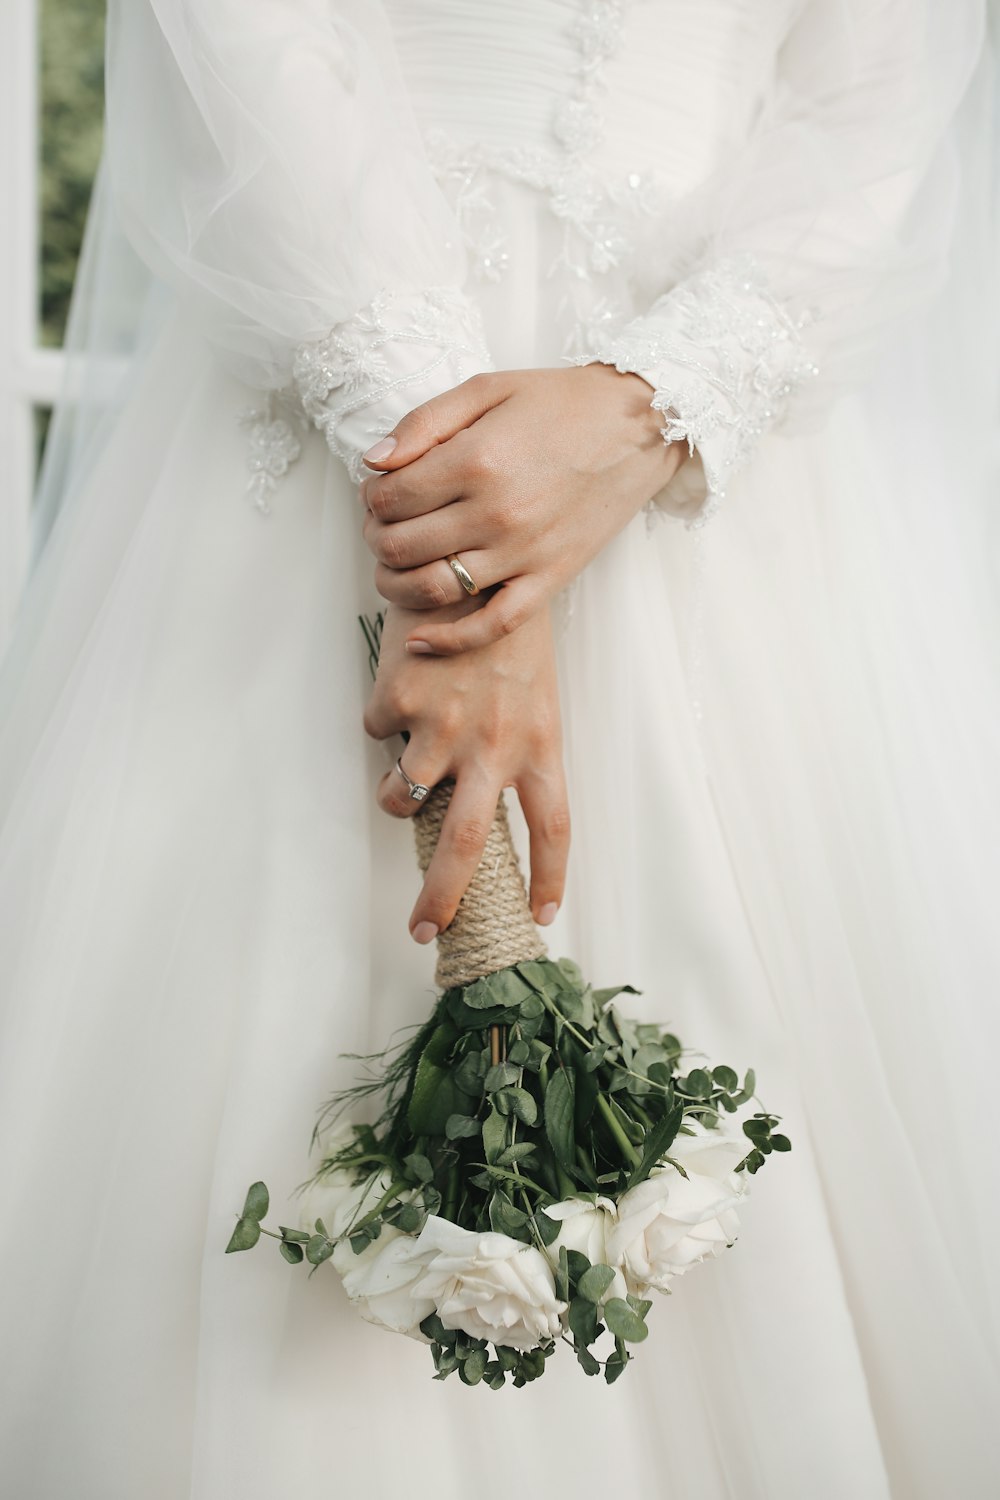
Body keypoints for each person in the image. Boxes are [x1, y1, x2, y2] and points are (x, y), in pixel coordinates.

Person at [1, 1, 999, 1495]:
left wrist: (641, 416)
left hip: (727, 493)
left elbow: (878, 104)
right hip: (327, 390)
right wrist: (456, 512)